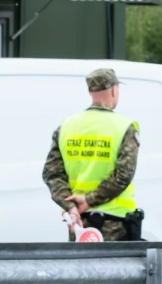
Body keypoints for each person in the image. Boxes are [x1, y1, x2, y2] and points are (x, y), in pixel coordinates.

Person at [42, 68, 140, 242]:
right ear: (113, 89)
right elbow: (123, 175)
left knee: (83, 269)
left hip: (79, 225)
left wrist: (71, 207)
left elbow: (52, 174)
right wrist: (90, 199)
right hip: (115, 226)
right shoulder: (124, 127)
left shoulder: (66, 126)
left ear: (90, 91)